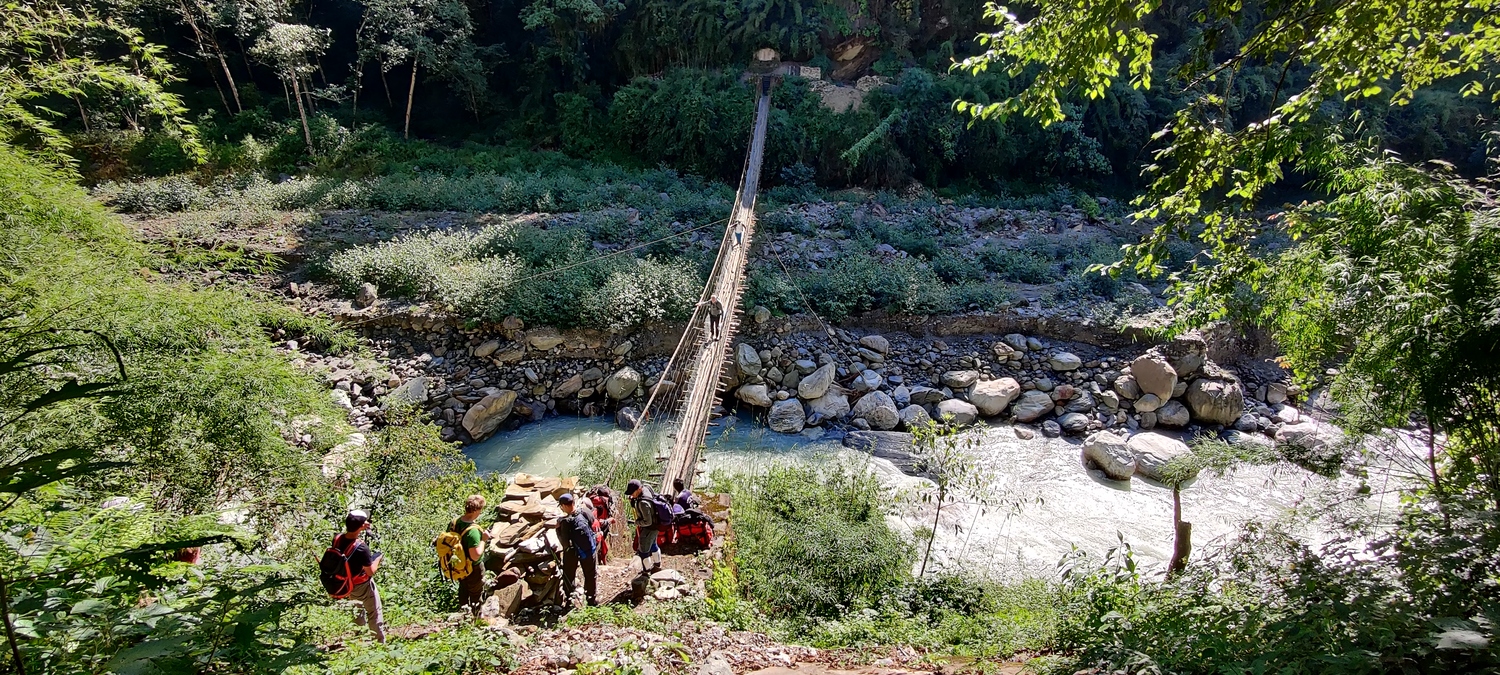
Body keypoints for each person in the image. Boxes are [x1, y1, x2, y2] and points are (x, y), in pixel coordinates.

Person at [337, 509, 385, 642]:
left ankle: (359, 638)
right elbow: (371, 571)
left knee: (357, 610)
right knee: (374, 612)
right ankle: (378, 643)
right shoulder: (361, 548)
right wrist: (377, 559)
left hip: (346, 584)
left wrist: (363, 528)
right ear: (361, 526)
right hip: (362, 584)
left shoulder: (338, 538)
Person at [555, 494, 598, 606]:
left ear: (564, 506)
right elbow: (592, 521)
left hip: (572, 552)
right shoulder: (584, 511)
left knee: (569, 574)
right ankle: (591, 600)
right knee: (590, 575)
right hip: (590, 549)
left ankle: (569, 599)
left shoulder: (565, 522)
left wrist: (558, 529)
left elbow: (564, 543)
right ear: (573, 502)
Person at [450, 495, 491, 614]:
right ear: (476, 510)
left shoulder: (454, 522)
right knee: (475, 593)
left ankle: (462, 613)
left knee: (463, 588)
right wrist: (484, 539)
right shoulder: (473, 531)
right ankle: (476, 619)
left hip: (458, 565)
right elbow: (475, 555)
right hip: (473, 568)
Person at [626, 479, 663, 573]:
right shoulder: (646, 487)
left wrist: (637, 522)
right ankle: (657, 565)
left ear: (638, 489)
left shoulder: (643, 503)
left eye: (632, 492)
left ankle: (646, 571)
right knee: (653, 545)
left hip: (649, 528)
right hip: (656, 525)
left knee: (643, 551)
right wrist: (634, 499)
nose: (632, 494)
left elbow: (648, 522)